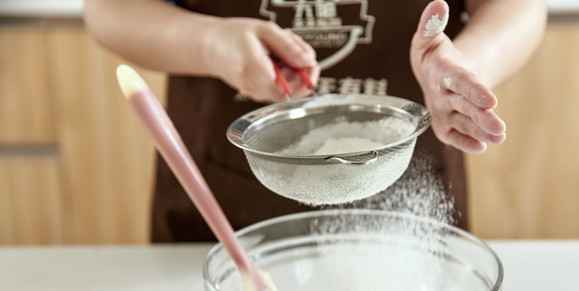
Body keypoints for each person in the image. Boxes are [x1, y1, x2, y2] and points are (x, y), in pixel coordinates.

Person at [84, 0, 547, 242]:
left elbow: (517, 4)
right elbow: (107, 7)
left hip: (407, 214)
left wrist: (465, 67)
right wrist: (208, 43)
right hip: (219, 213)